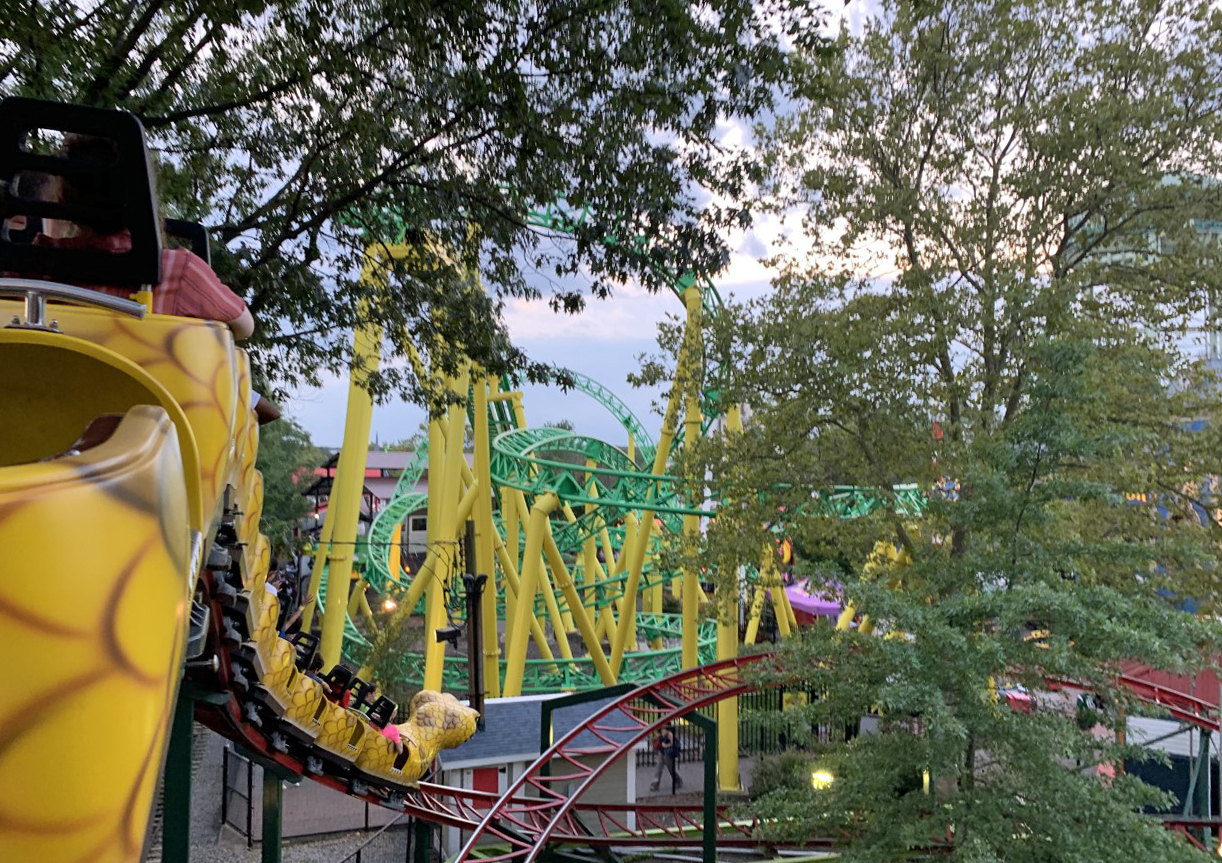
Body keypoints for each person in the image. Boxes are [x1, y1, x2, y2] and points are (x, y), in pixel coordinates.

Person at [30, 134, 254, 338]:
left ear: (63, 199)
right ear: (142, 196)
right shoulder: (178, 273)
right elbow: (244, 326)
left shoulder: (31, 264)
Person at [650, 723, 681, 792]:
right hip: (662, 752)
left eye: (664, 729)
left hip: (669, 753)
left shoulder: (670, 734)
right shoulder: (661, 734)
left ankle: (678, 780)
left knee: (671, 768)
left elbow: (672, 743)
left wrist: (666, 745)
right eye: (662, 729)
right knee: (659, 767)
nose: (662, 731)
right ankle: (655, 784)